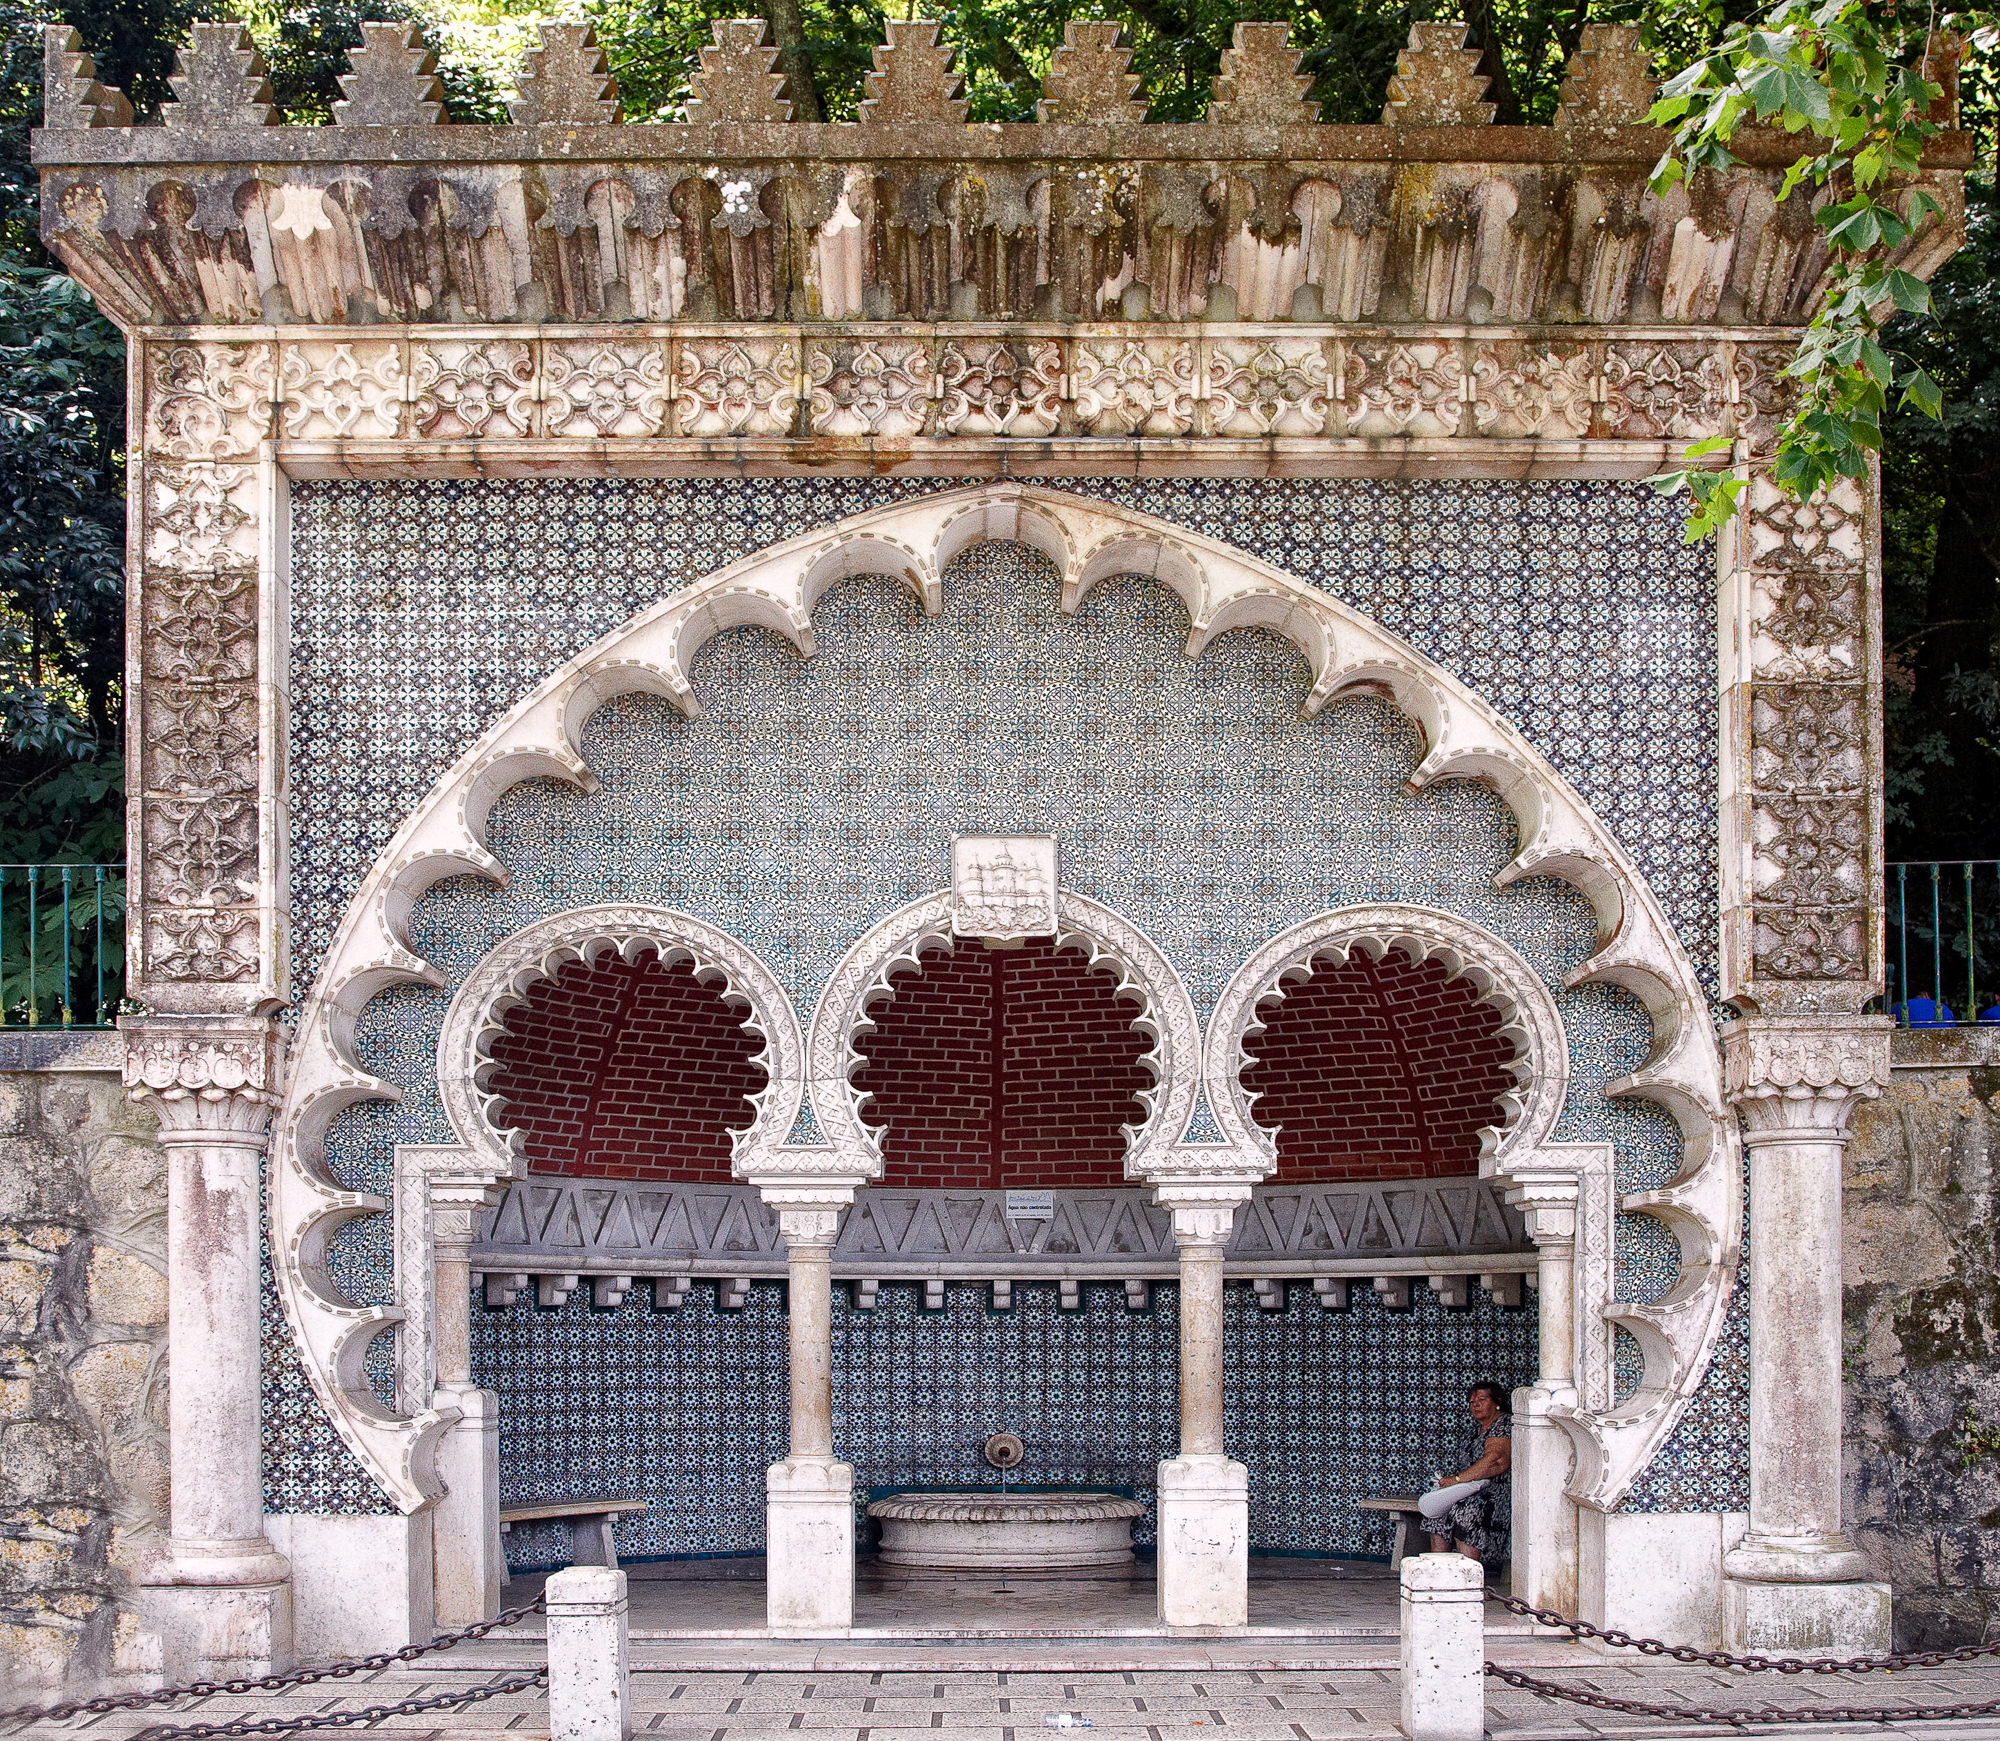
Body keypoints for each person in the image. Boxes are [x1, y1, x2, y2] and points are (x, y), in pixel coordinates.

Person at [1418, 1380, 1512, 1567]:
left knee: (1465, 1511)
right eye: (1472, 1401)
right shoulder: (1474, 1431)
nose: (1475, 1405)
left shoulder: (1504, 1424)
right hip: (1471, 1492)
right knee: (1437, 1515)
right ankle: (1441, 1574)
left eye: (1482, 1400)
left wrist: (1458, 1480)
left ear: (1497, 1402)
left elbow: (1496, 1460)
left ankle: (1469, 1575)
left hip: (1496, 1496)